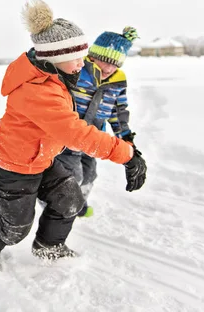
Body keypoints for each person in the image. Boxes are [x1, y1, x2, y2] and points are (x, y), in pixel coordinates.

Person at [0, 0, 147, 273]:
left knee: (71, 200)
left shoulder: (55, 76)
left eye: (82, 56)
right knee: (16, 228)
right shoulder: (39, 89)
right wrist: (126, 154)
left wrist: (125, 137)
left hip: (43, 158)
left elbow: (100, 114)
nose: (82, 63)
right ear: (54, 56)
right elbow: (75, 132)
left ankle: (49, 245)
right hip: (15, 167)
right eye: (75, 58)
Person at [56, 27, 141, 218]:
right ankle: (56, 204)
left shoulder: (117, 80)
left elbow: (118, 112)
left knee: (89, 174)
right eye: (106, 61)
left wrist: (126, 138)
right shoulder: (76, 71)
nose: (109, 69)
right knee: (73, 174)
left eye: (115, 64)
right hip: (68, 135)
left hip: (93, 137)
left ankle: (79, 202)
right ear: (93, 56)